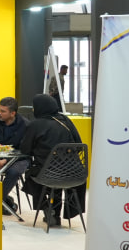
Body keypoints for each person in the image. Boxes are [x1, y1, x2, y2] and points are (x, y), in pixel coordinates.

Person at [19, 93, 84, 228]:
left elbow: (25, 150)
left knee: (31, 175)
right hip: (75, 173)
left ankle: (47, 208)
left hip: (48, 173)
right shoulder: (66, 120)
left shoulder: (35, 125)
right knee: (57, 174)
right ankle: (55, 215)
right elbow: (79, 145)